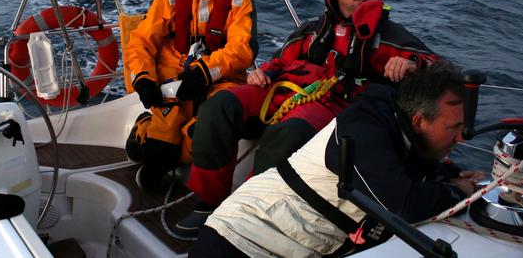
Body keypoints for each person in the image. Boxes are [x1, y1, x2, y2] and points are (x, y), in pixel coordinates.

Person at [176, 0, 439, 238]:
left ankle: (249, 218)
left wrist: (412, 64)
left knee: (286, 134)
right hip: (286, 88)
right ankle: (209, 202)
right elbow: (280, 60)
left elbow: (438, 66)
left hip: (336, 101)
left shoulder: (388, 35)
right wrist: (261, 73)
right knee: (220, 106)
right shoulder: (315, 29)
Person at [190, 60, 486, 257]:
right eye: (455, 128)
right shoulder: (364, 131)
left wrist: (450, 176)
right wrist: (458, 190)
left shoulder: (398, 129)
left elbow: (413, 169)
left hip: (291, 245)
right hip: (240, 241)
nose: (461, 138)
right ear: (419, 120)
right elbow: (405, 205)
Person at [124, 0, 258, 188]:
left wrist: (207, 72)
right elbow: (141, 40)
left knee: (209, 129)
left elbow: (242, 48)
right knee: (162, 138)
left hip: (220, 74)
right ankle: (143, 134)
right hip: (173, 74)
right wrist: (142, 78)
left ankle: (173, 159)